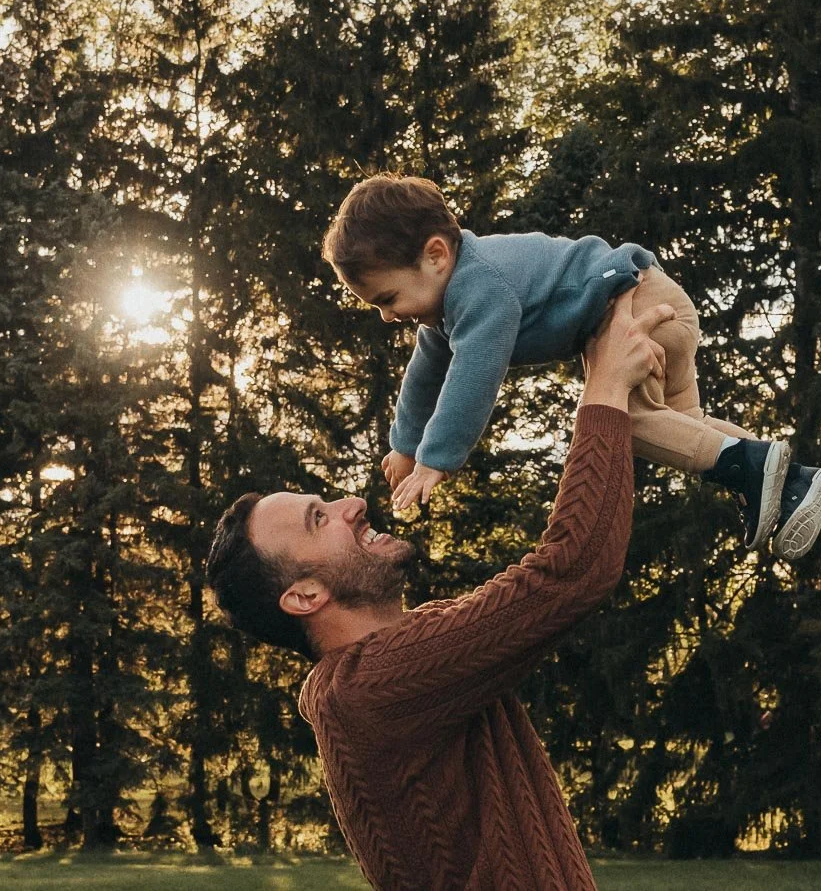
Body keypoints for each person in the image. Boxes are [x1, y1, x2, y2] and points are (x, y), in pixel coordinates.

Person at [205, 291, 674, 889]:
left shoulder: (397, 668)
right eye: (318, 520)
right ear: (303, 596)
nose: (352, 505)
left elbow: (546, 583)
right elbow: (570, 572)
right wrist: (604, 385)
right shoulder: (370, 688)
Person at [322, 173, 821, 559]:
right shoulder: (446, 311)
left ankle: (755, 466)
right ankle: (794, 481)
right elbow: (425, 374)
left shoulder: (478, 289)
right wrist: (404, 445)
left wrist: (436, 458)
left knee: (623, 421)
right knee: (687, 430)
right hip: (650, 302)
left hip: (635, 307)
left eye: (387, 298)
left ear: (435, 255)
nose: (389, 316)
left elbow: (473, 375)